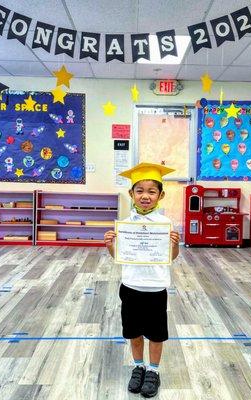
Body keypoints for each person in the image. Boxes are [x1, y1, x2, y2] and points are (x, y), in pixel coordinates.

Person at [104, 162, 180, 398]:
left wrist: (175, 245)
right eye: (140, 191)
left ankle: (154, 371)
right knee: (133, 333)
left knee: (157, 334)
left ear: (161, 195)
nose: (145, 196)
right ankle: (138, 367)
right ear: (131, 194)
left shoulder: (165, 225)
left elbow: (171, 258)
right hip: (131, 286)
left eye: (151, 191)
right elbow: (120, 257)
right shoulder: (125, 226)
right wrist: (110, 245)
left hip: (156, 288)